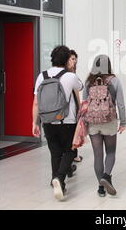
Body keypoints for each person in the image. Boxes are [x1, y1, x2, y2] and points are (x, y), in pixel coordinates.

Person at [32, 46, 84, 201]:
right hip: (66, 120)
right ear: (67, 59)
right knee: (70, 151)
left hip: (47, 121)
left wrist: (34, 122)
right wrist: (71, 69)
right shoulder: (70, 76)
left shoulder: (42, 76)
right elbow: (80, 87)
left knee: (55, 153)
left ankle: (58, 182)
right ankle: (59, 178)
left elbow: (36, 102)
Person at [83, 55, 126, 197]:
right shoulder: (114, 80)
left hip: (93, 123)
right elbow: (120, 103)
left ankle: (100, 189)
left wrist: (83, 122)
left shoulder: (89, 82)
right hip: (109, 121)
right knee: (111, 152)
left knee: (98, 155)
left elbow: (84, 104)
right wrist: (123, 122)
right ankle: (106, 176)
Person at [66, 49, 83, 164]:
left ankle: (74, 154)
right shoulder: (70, 75)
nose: (74, 61)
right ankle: (73, 155)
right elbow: (77, 91)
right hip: (70, 109)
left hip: (69, 109)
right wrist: (79, 106)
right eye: (72, 59)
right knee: (73, 132)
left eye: (75, 59)